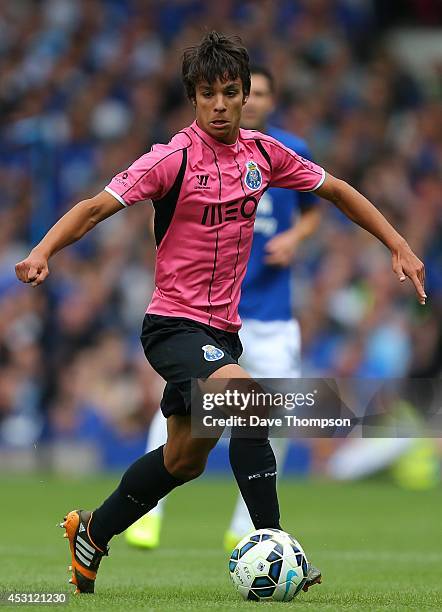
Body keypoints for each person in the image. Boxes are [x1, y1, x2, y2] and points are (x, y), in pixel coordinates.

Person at [15, 32, 426, 595]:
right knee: (251, 401)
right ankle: (276, 544)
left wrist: (398, 244)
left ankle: (92, 532)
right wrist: (42, 251)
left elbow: (337, 192)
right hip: (173, 326)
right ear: (193, 98)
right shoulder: (170, 159)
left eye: (229, 92)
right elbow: (93, 209)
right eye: (206, 93)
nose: (218, 105)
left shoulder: (265, 154)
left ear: (243, 94)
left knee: (183, 459)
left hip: (221, 333)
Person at [124, 65, 321, 552]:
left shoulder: (284, 153)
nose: (239, 104)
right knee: (208, 414)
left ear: (263, 99)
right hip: (200, 317)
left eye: (245, 94)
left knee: (264, 417)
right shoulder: (190, 156)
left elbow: (318, 204)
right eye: (215, 93)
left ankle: (246, 526)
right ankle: (152, 518)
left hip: (268, 317)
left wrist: (297, 236)